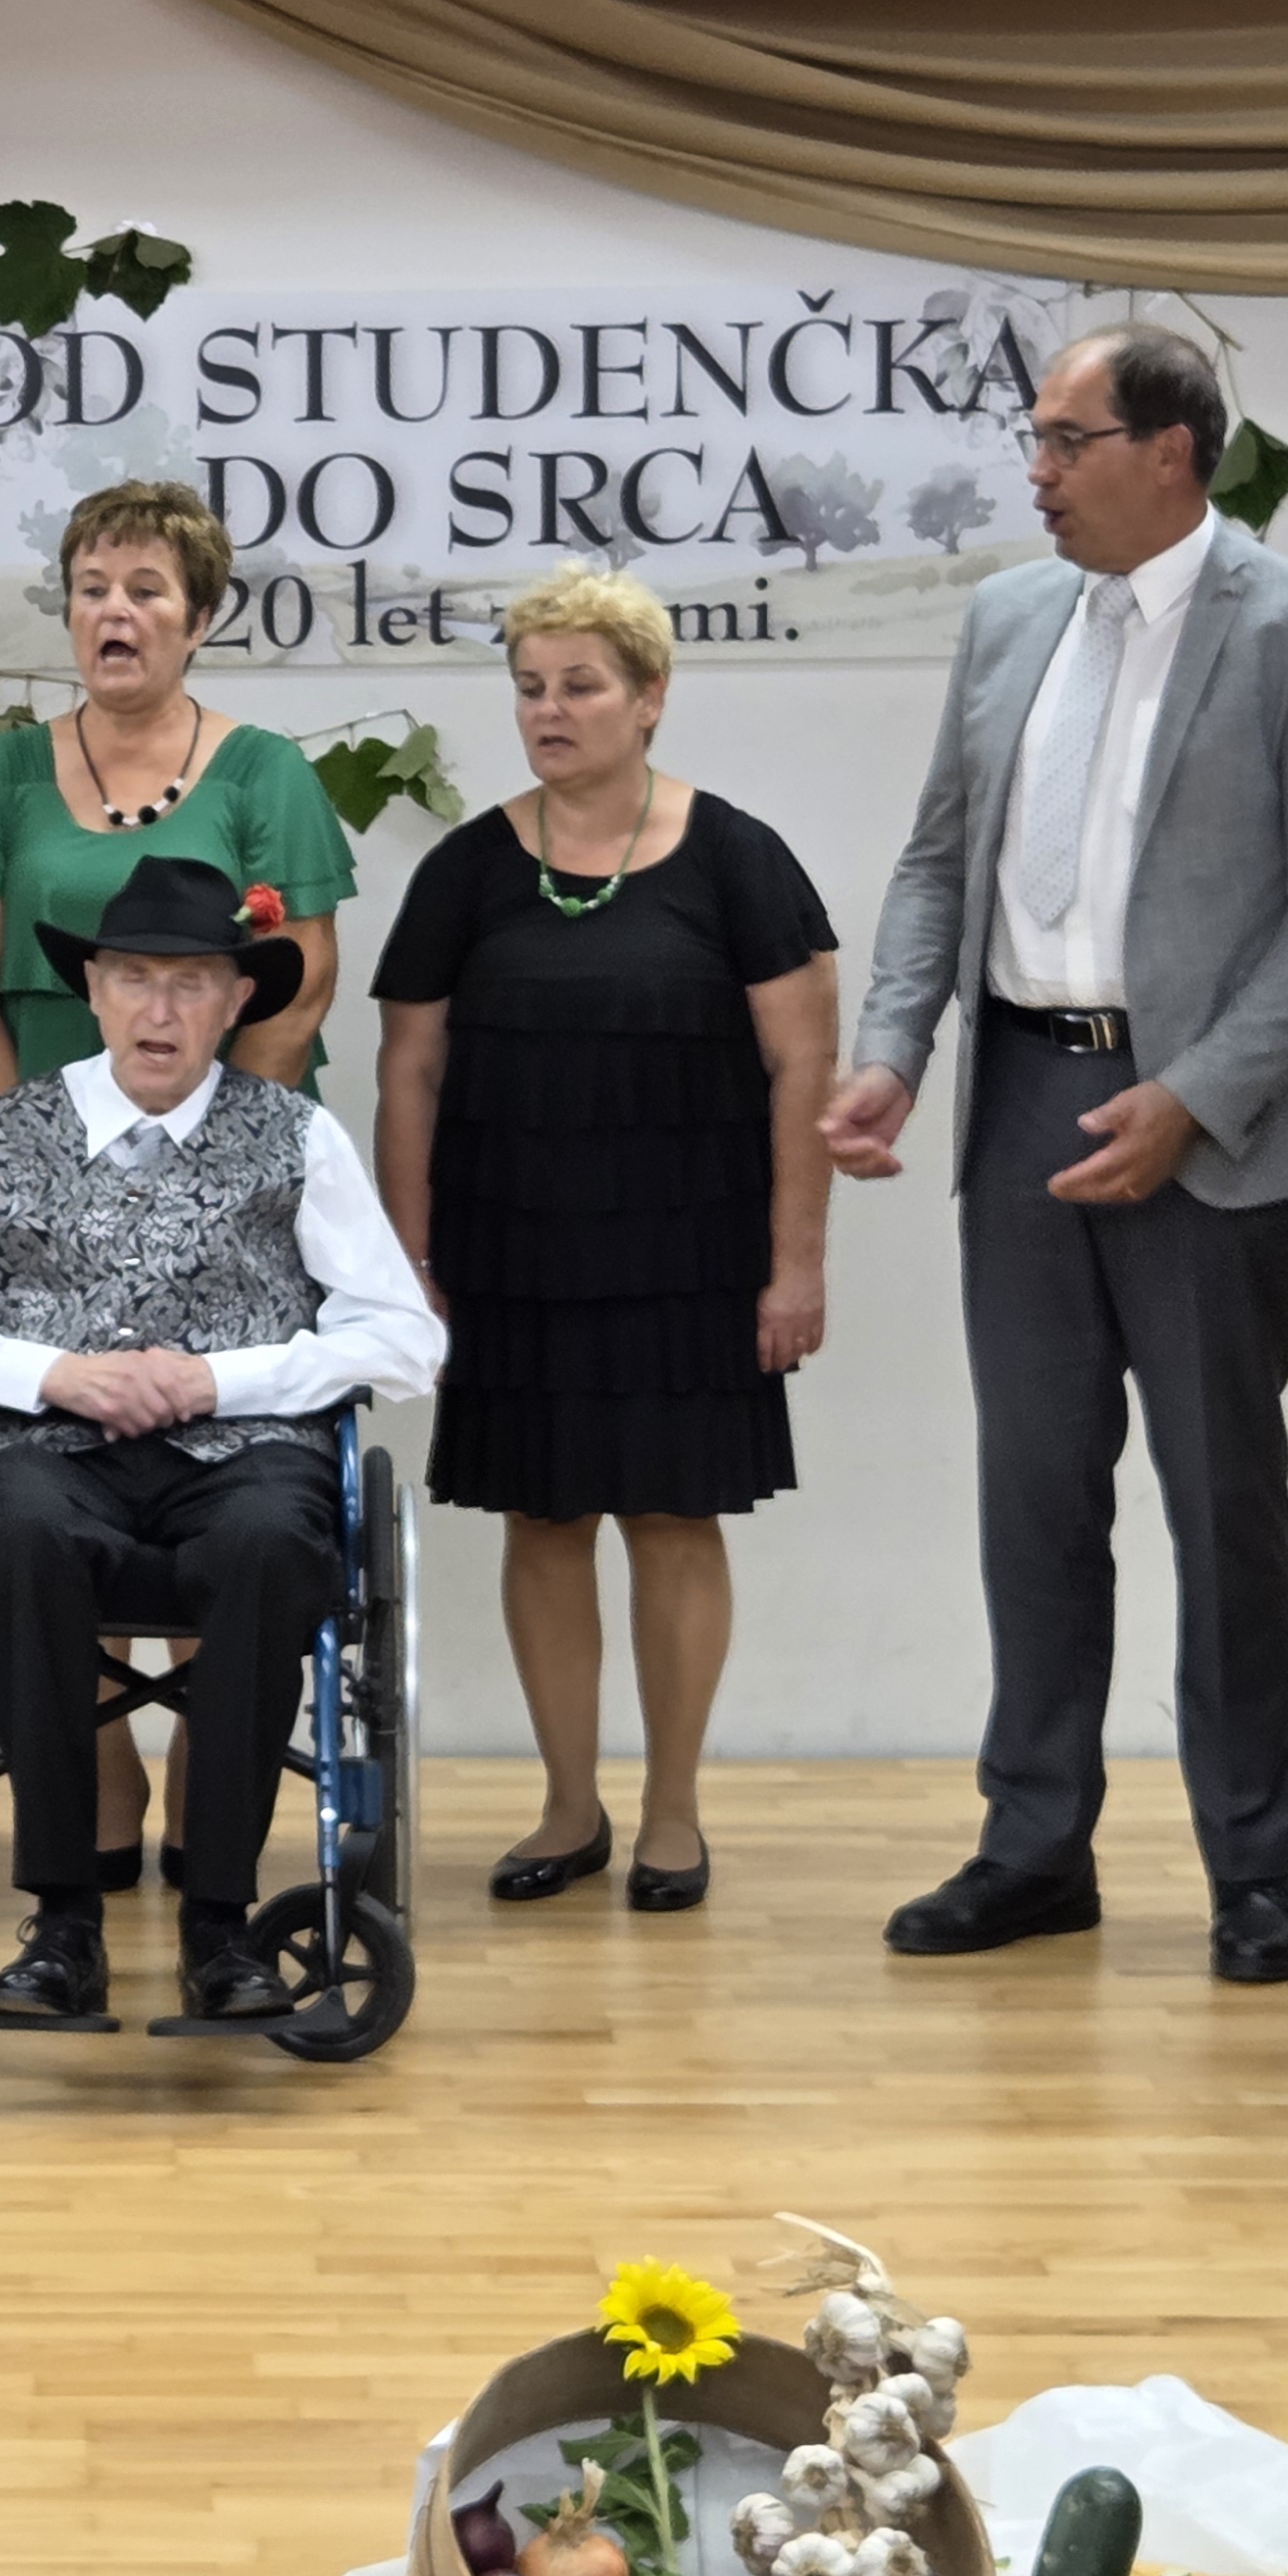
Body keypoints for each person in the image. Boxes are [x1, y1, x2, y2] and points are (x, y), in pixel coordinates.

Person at [818, 323, 1288, 1980]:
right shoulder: (1011, 616)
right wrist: (895, 1047)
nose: (1039, 472)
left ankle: (1254, 1870)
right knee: (1036, 1498)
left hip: (1207, 1127)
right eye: (1037, 439)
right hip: (1022, 1100)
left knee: (1225, 1506)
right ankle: (1033, 1847)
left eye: (1068, 441)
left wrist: (1195, 1093)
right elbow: (939, 859)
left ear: (1173, 452)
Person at [0, 857, 443, 2019]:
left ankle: (219, 1925)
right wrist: (51, 1374)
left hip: (248, 1456)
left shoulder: (298, 1136)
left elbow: (404, 1341)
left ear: (236, 1001)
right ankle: (63, 1922)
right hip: (47, 1456)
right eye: (132, 978)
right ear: (94, 992)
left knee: (270, 1546)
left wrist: (218, 1380)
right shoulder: (0, 1136)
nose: (158, 1009)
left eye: (190, 983)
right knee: (21, 1537)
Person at [371, 563, 838, 1915]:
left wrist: (796, 1264)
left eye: (580, 686)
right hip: (511, 1251)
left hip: (690, 1252)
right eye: (530, 687)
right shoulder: (467, 869)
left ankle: (673, 1814)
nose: (549, 710)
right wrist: (409, 1262)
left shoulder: (737, 858)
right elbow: (409, 1071)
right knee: (543, 1515)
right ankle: (568, 1806)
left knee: (675, 1517)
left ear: (648, 698)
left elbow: (802, 1066)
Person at [0, 476, 357, 1885]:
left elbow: (301, 984)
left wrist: (204, 1162)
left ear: (200, 616)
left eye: (148, 591)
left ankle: (208, 1801)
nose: (116, 612)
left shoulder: (264, 774)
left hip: (230, 1188)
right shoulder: (2, 774)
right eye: (94, 588)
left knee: (218, 1468)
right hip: (55, 1188)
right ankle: (95, 1796)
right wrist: (40, 1159)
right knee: (56, 1483)